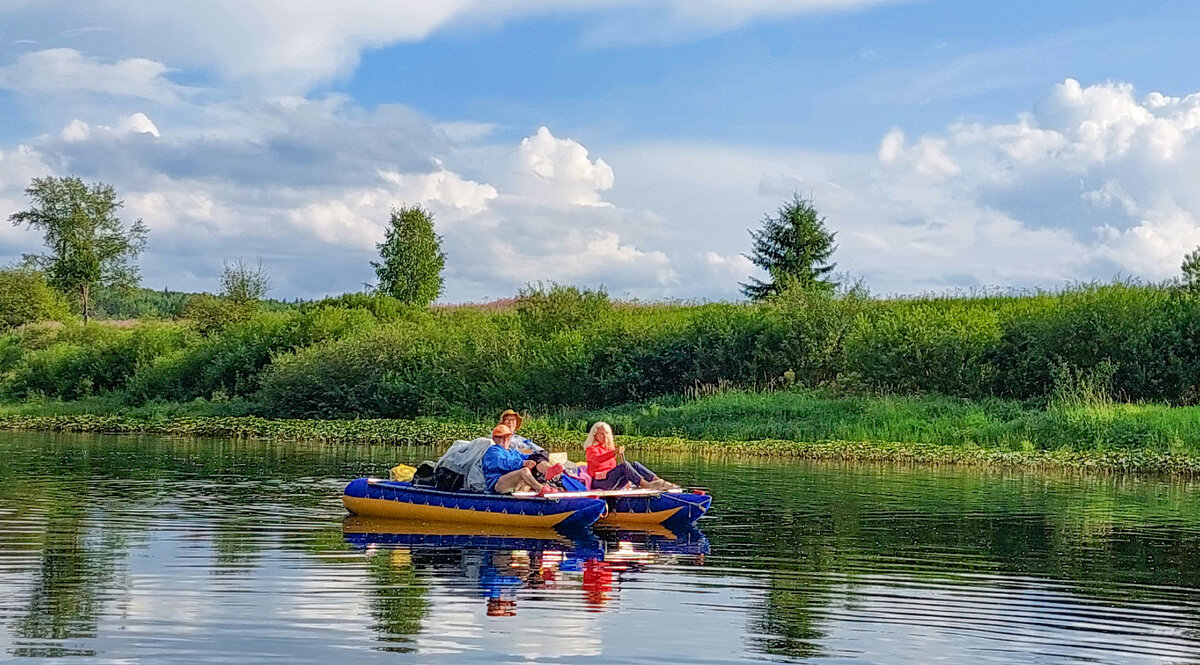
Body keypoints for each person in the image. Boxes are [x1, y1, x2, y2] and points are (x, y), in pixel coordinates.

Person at [583, 422, 676, 491]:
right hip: (601, 482)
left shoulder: (608, 449)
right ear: (595, 436)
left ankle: (659, 481)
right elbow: (598, 460)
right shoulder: (591, 449)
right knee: (624, 465)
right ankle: (646, 485)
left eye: (606, 433)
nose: (605, 436)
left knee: (634, 464)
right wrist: (614, 453)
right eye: (601, 434)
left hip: (612, 480)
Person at [482, 424, 557, 495]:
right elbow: (502, 463)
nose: (505, 439)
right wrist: (522, 463)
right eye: (501, 437)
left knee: (536, 460)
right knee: (524, 471)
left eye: (507, 437)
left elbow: (527, 457)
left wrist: (538, 457)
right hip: (497, 484)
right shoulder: (493, 451)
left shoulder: (513, 452)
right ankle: (540, 489)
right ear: (494, 439)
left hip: (512, 480)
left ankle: (549, 472)